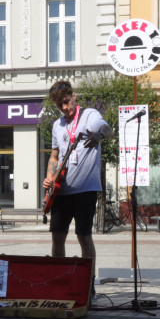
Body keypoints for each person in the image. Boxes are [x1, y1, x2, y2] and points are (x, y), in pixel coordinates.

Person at [43, 80, 113, 296]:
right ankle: (59, 280)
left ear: (74, 96)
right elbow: (55, 156)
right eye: (60, 106)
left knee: (83, 235)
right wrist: (49, 177)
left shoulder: (89, 115)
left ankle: (88, 283)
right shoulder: (57, 125)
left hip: (85, 189)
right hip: (61, 190)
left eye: (66, 102)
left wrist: (98, 136)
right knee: (57, 236)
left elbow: (108, 130)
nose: (65, 108)